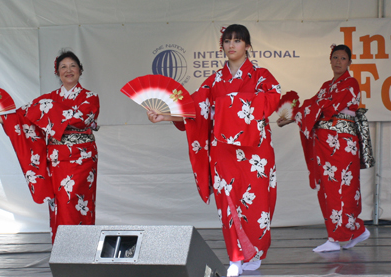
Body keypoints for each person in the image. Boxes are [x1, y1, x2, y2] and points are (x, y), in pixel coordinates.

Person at [147, 24, 281, 276]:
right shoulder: (215, 80)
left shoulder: (261, 75)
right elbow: (195, 107)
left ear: (247, 46)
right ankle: (236, 257)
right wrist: (165, 116)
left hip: (255, 151)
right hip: (223, 151)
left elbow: (273, 98)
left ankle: (254, 250)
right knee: (228, 201)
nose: (231, 45)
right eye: (227, 41)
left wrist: (225, 105)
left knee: (256, 202)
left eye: (237, 41)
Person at [0, 50, 100, 242]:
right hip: (57, 159)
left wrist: (48, 108)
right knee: (59, 203)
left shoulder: (90, 97)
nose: (68, 70)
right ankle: (62, 250)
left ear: (80, 70)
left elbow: (80, 119)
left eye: (73, 66)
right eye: (63, 67)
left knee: (75, 200)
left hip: (82, 158)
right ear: (57, 73)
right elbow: (22, 117)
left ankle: (80, 248)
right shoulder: (48, 98)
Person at [277, 44, 370, 252]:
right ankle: (351, 232)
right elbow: (315, 105)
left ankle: (340, 237)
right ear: (330, 60)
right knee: (328, 188)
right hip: (325, 143)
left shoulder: (351, 83)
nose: (338, 61)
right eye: (335, 57)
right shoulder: (327, 85)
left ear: (349, 62)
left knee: (344, 188)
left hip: (343, 144)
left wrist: (298, 113)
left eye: (343, 58)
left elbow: (325, 106)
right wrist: (291, 117)